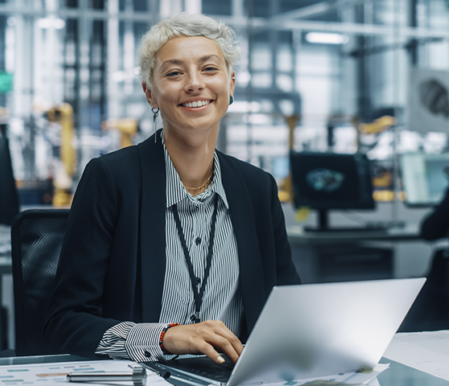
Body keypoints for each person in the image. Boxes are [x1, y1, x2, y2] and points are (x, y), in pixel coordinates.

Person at [44, 13, 300, 365]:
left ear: (231, 84)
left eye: (209, 69)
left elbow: (287, 308)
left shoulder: (257, 188)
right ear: (150, 93)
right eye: (175, 73)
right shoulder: (112, 179)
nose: (195, 84)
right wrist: (165, 337)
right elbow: (66, 323)